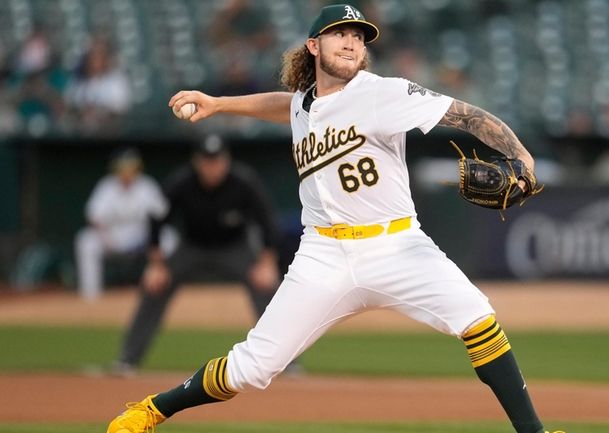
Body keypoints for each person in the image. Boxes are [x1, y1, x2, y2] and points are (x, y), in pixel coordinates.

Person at [107, 5, 561, 433]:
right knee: (251, 367)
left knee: (478, 318)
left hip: (397, 246)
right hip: (323, 256)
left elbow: (468, 115)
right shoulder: (303, 104)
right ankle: (151, 410)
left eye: (358, 37)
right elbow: (283, 105)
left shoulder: (384, 92)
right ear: (313, 46)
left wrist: (522, 157)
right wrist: (219, 104)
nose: (350, 42)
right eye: (339, 34)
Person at [112, 134, 282, 375]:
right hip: (192, 247)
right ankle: (128, 359)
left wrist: (267, 263)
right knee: (154, 286)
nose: (212, 166)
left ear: (226, 160)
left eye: (217, 160)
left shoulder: (243, 182)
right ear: (197, 161)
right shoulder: (182, 182)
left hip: (235, 247)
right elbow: (156, 219)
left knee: (267, 287)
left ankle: (287, 363)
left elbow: (267, 220)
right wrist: (156, 265)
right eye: (207, 160)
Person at [75, 147, 166, 301]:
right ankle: (90, 296)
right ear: (115, 168)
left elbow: (160, 215)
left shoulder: (147, 186)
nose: (127, 172)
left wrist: (152, 242)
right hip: (112, 237)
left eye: (131, 167)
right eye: (123, 167)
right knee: (86, 241)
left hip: (142, 236)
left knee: (169, 238)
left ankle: (161, 291)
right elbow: (93, 217)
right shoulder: (106, 186)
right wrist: (105, 238)